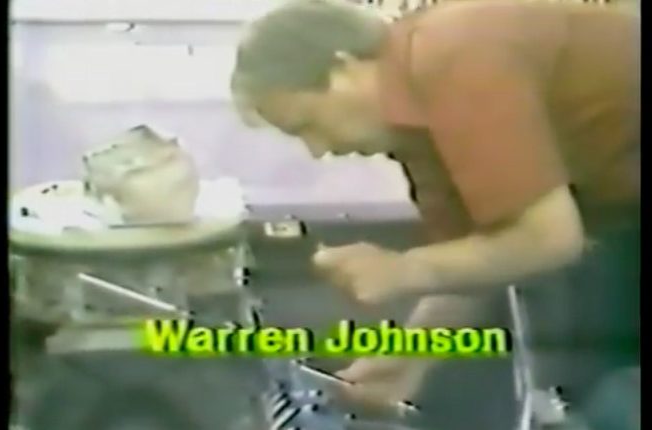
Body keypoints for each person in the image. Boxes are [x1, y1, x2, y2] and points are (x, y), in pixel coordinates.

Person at [230, 0, 640, 414]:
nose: (319, 150)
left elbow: (549, 238)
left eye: (308, 125)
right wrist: (410, 355)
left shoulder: (455, 57)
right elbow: (483, 253)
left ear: (344, 68)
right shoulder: (416, 129)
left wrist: (403, 269)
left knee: (614, 406)